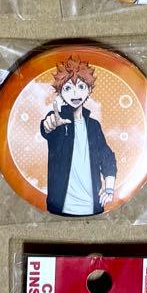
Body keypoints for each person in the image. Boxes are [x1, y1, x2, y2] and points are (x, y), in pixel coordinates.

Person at [39, 56, 117, 217]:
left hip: (93, 206)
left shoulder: (94, 126)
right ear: (60, 92)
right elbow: (47, 128)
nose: (75, 93)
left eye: (81, 86)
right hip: (59, 206)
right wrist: (49, 125)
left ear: (89, 89)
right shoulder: (58, 120)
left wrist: (109, 189)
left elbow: (107, 157)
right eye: (68, 88)